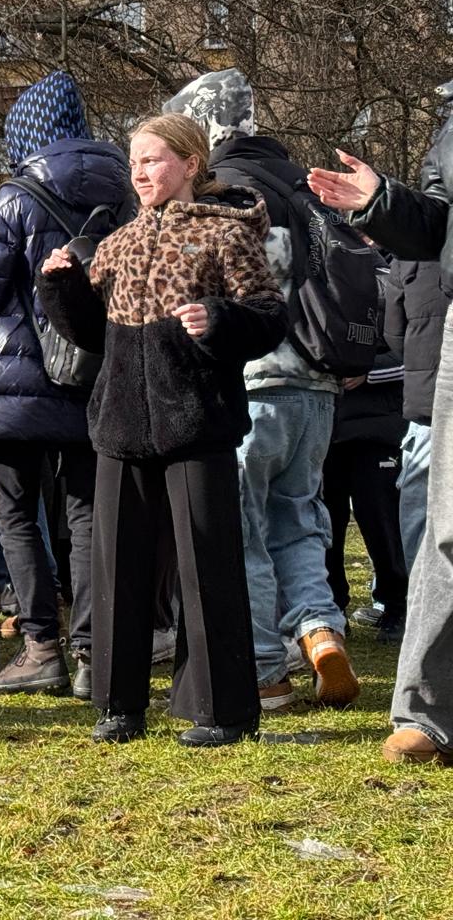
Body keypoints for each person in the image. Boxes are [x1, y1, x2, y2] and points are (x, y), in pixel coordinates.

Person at [40, 113, 287, 747]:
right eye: (134, 162)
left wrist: (221, 320)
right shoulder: (117, 243)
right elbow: (90, 334)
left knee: (208, 568)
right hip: (120, 427)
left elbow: (269, 317)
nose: (139, 172)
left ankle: (223, 711)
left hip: (197, 422)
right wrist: (61, 287)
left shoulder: (226, 235)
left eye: (151, 159)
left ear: (190, 163)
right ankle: (118, 706)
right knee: (117, 570)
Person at [171, 68, 359, 712]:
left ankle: (264, 670)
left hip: (254, 382)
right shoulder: (302, 185)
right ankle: (320, 631)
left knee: (243, 530)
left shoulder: (227, 192)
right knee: (300, 520)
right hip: (319, 383)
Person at [0, 71, 132, 697]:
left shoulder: (15, 196)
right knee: (86, 514)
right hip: (95, 372)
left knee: (15, 511)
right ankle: (91, 653)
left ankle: (40, 648)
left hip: (17, 376)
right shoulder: (126, 191)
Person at [308, 117, 453, 765]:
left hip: (382, 411)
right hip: (434, 362)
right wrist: (383, 202)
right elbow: (440, 223)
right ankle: (430, 713)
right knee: (442, 528)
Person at [322, 349, 408, 639]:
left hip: (377, 432)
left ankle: (396, 606)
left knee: (380, 522)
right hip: (325, 427)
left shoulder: (389, 315)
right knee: (325, 526)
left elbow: (416, 354)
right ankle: (332, 610)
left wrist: (367, 371)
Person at [383, 252, 447, 588]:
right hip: (427, 399)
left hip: (429, 399)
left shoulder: (407, 257)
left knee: (418, 512)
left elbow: (394, 336)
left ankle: (425, 598)